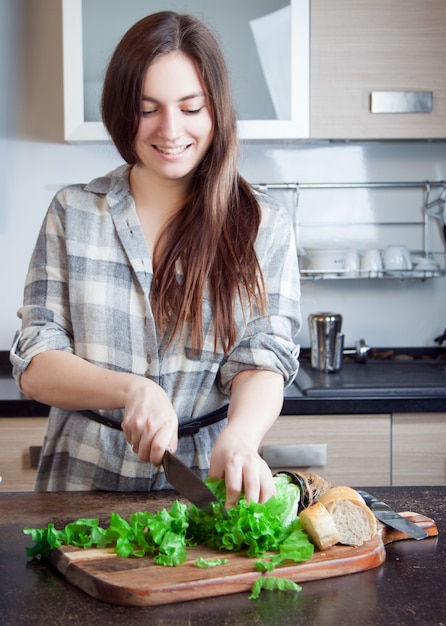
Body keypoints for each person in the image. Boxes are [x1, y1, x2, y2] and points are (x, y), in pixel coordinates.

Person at [10, 11, 301, 507]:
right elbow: (35, 359)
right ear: (123, 111)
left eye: (191, 108)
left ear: (217, 110)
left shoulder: (262, 223)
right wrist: (131, 391)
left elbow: (264, 355)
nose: (171, 130)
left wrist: (243, 436)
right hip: (80, 486)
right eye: (149, 109)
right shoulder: (74, 211)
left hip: (205, 489)